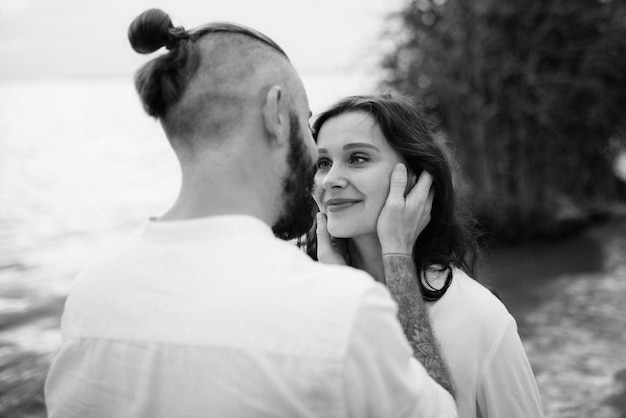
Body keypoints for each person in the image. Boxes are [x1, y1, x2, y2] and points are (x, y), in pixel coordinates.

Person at [44, 9, 457, 417]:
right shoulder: (341, 310)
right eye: (305, 119)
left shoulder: (92, 294)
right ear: (276, 113)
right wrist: (398, 262)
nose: (319, 163)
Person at [309, 94, 544, 418]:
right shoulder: (300, 300)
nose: (331, 179)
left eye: (358, 158)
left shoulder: (478, 316)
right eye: (323, 163)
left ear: (418, 180)